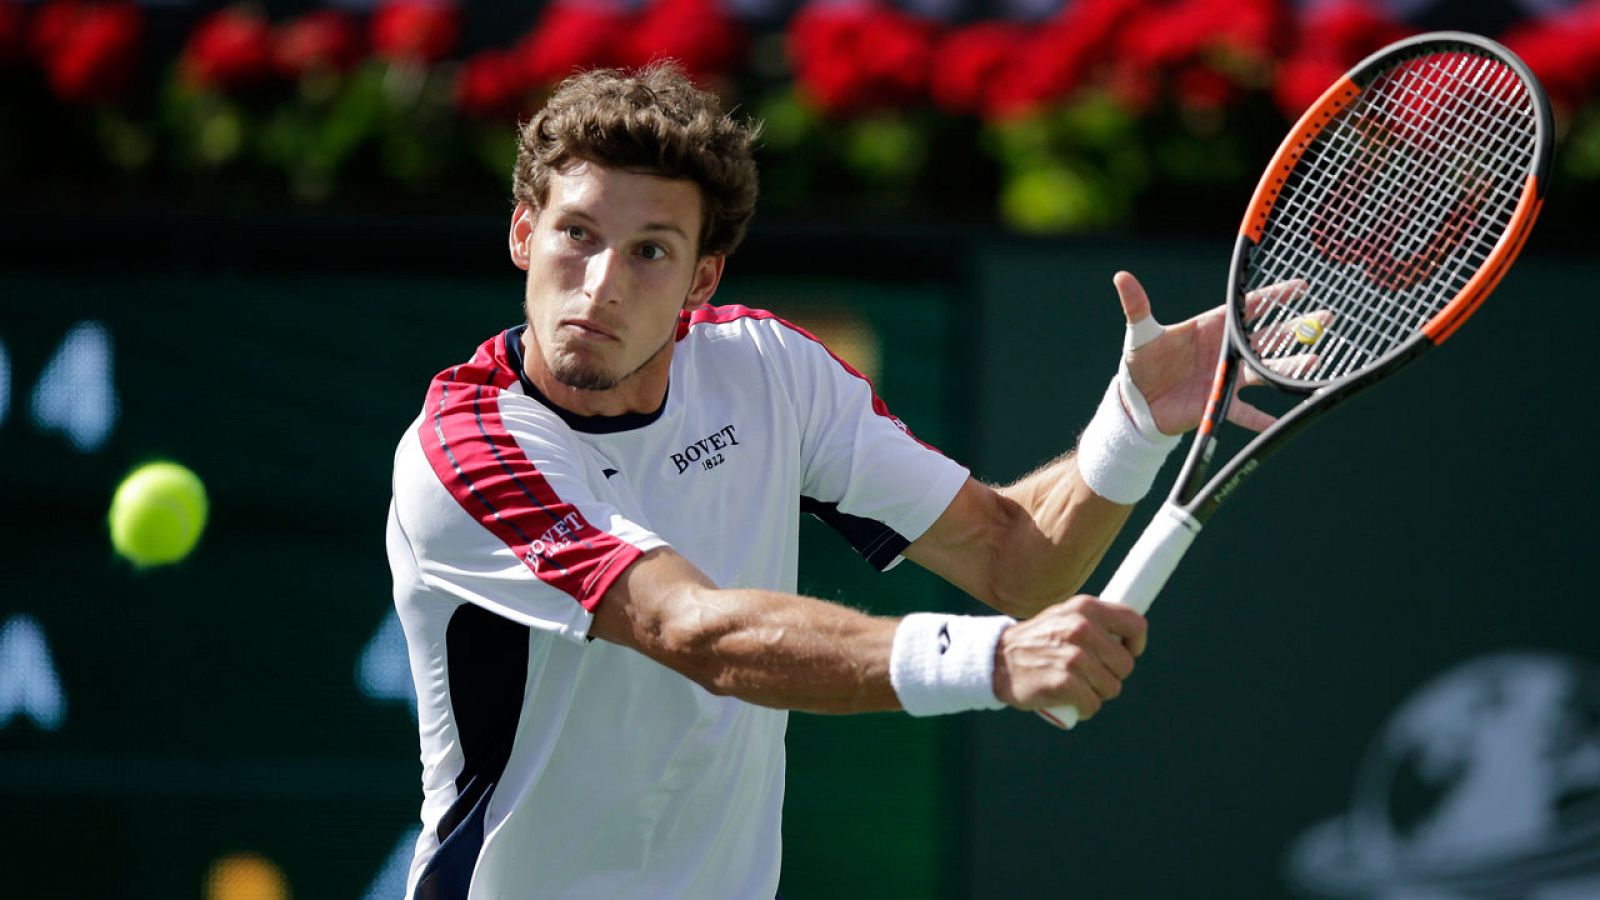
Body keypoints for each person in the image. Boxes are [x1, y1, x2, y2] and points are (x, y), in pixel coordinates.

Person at [386, 62, 1274, 899]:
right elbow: (691, 630)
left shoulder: (767, 370)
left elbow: (1015, 562)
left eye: (650, 252)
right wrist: (992, 660)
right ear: (522, 233)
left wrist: (1134, 422)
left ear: (701, 280)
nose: (601, 285)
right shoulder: (465, 449)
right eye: (576, 234)